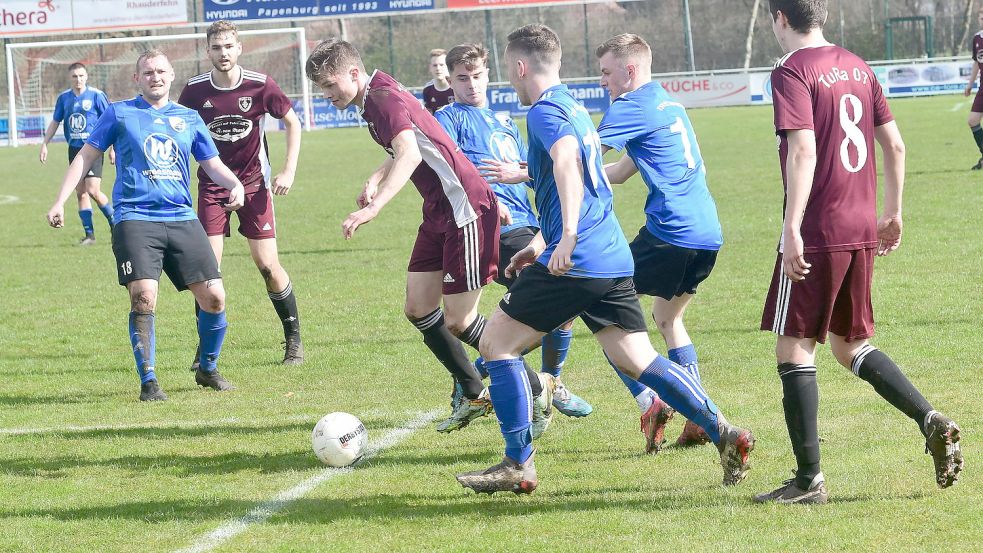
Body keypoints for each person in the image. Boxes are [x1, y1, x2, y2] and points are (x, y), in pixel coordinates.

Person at [455, 24, 754, 495]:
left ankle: (518, 462)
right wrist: (541, 244)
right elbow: (593, 178)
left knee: (496, 344)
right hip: (611, 255)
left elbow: (567, 162)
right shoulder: (574, 106)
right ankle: (724, 432)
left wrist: (566, 238)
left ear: (519, 67)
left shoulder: (546, 114)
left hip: (582, 257)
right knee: (636, 356)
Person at [757, 0, 963, 504]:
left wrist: (791, 228)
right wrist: (893, 212)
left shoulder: (790, 71)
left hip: (819, 226)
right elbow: (895, 146)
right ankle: (929, 419)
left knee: (794, 347)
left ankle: (808, 483)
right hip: (860, 222)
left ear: (780, 18)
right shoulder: (857, 64)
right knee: (848, 344)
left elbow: (804, 150)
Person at [304, 39, 557, 434]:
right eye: (322, 88)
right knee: (419, 308)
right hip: (439, 212)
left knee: (460, 319)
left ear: (354, 74)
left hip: (464, 212)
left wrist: (374, 207)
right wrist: (375, 177)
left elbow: (409, 153)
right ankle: (474, 392)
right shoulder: (380, 91)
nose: (327, 95)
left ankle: (536, 386)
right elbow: (422, 139)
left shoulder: (382, 98)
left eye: (329, 85)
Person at [46, 49, 245, 402]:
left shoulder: (188, 118)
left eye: (161, 71)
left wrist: (236, 184)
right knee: (144, 297)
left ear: (172, 76)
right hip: (135, 219)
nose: (155, 76)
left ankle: (208, 368)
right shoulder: (119, 113)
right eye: (148, 72)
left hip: (182, 218)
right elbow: (85, 156)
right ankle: (149, 381)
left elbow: (211, 164)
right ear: (137, 79)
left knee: (214, 298)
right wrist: (60, 200)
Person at [434, 42, 593, 421]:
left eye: (476, 76)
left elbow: (532, 171)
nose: (471, 85)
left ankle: (510, 377)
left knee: (560, 305)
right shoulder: (449, 117)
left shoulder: (505, 121)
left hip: (529, 223)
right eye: (461, 78)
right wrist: (488, 200)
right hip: (492, 226)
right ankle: (545, 385)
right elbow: (448, 168)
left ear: (489, 75)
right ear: (450, 81)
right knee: (555, 296)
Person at [593, 34, 721, 453]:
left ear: (630, 71)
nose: (604, 83)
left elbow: (579, 154)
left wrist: (523, 173)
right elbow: (621, 170)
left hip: (671, 233)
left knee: (597, 304)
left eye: (607, 73)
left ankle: (651, 401)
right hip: (707, 234)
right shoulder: (667, 103)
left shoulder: (631, 106)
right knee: (667, 320)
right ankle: (699, 421)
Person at [179, 20, 305, 367]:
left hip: (254, 185)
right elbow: (178, 130)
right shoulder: (193, 91)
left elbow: (293, 121)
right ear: (208, 51)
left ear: (239, 48)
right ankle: (205, 350)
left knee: (267, 265)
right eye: (217, 48)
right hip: (211, 188)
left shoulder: (261, 85)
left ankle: (293, 338)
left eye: (229, 46)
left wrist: (288, 169)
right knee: (207, 270)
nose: (223, 53)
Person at [40, 63, 115, 245]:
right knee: (80, 193)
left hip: (94, 148)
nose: (78, 79)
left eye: (81, 75)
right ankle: (89, 236)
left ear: (86, 76)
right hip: (74, 149)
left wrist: (113, 148)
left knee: (93, 190)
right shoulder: (64, 98)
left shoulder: (97, 96)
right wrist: (44, 143)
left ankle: (116, 225)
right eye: (75, 76)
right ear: (70, 78)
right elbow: (55, 122)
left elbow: (111, 121)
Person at [964, 8, 983, 170]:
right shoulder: (977, 38)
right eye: (981, 17)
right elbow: (977, 62)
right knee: (973, 120)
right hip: (982, 87)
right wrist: (970, 84)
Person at [421, 49, 454, 114]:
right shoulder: (427, 90)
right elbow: (429, 115)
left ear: (448, 66)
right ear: (430, 68)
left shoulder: (456, 86)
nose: (438, 68)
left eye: (441, 65)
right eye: (435, 65)